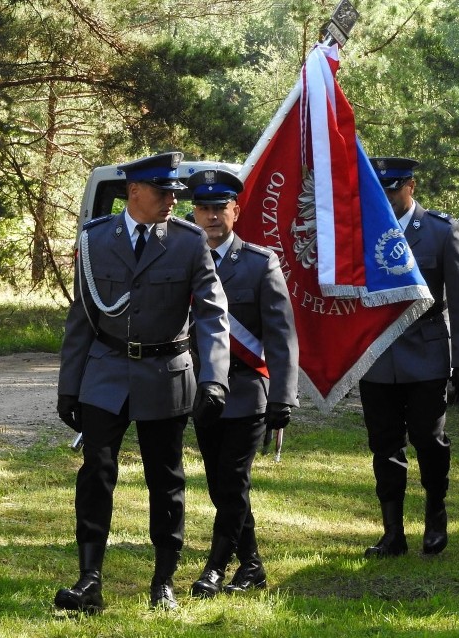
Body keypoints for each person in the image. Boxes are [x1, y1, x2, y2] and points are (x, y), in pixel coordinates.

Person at [54, 151, 231, 613]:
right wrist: (69, 386)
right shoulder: (95, 240)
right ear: (135, 192)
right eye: (163, 191)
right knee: (96, 474)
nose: (173, 199)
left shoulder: (188, 241)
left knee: (165, 478)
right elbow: (83, 317)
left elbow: (213, 316)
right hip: (106, 372)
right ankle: (88, 580)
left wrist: (214, 379)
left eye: (175, 192)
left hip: (165, 373)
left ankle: (163, 582)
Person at [185, 167, 299, 598]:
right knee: (220, 484)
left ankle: (215, 567)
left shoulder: (259, 262)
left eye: (220, 208)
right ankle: (251, 565)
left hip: (248, 390)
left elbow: (281, 335)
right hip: (202, 391)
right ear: (194, 212)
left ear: (236, 210)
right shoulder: (182, 258)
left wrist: (283, 398)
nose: (212, 217)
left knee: (232, 480)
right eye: (204, 208)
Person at [360, 156, 459, 558]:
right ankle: (392, 531)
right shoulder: (360, 230)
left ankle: (435, 512)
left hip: (426, 351)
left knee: (429, 439)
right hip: (377, 356)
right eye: (380, 190)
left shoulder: (439, 232)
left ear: (410, 186)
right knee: (384, 445)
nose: (387, 197)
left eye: (393, 188)